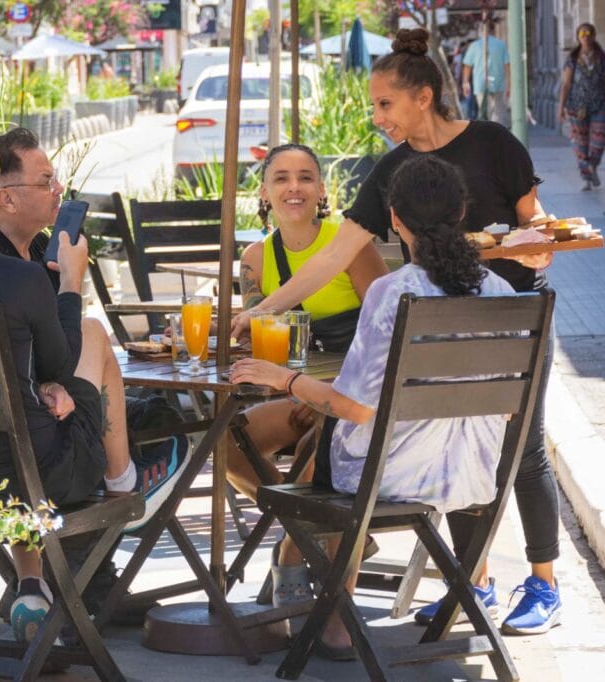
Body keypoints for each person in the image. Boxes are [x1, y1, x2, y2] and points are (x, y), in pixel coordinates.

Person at [233, 28, 562, 637]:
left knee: (525, 452)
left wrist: (540, 245)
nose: (377, 116)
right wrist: (259, 310)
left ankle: (542, 581)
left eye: (384, 103)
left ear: (424, 97)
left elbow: (533, 220)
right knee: (461, 430)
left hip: (508, 316)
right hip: (479, 318)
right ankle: (474, 583)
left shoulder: (493, 144)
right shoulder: (393, 170)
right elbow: (332, 258)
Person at [0, 122, 188, 643]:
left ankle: (32, 583)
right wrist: (70, 280)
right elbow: (63, 363)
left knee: (45, 402)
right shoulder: (17, 278)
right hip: (38, 476)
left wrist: (38, 386)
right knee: (91, 338)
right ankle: (125, 488)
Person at [231, 154, 518, 660]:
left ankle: (328, 608)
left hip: (387, 480)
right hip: (471, 474)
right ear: (461, 214)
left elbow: (357, 409)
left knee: (331, 445)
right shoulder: (501, 292)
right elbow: (511, 410)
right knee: (329, 441)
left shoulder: (393, 293)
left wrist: (286, 379)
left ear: (395, 220)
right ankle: (311, 576)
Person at [227, 143, 386, 504]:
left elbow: (386, 332)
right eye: (281, 178)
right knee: (228, 444)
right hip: (296, 391)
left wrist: (318, 395)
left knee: (312, 448)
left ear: (322, 190)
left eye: (306, 178)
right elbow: (258, 341)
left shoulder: (349, 245)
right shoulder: (255, 258)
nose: (294, 187)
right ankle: (301, 529)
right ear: (264, 192)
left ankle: (302, 547)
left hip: (356, 396)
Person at [0, 127, 62, 291]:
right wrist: (72, 279)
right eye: (46, 182)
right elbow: (52, 317)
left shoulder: (41, 245)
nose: (59, 188)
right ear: (8, 199)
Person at [557, 23, 605, 190]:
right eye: (582, 33)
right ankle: (587, 177)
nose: (585, 35)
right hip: (577, 107)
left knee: (599, 140)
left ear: (593, 35)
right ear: (578, 36)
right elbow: (566, 84)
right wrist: (561, 107)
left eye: (588, 32)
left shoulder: (601, 57)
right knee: (580, 143)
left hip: (600, 104)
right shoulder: (572, 58)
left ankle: (592, 166)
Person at [462, 25, 510, 125]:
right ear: (493, 31)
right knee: (498, 113)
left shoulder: (474, 45)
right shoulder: (501, 45)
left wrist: (465, 83)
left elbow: (467, 65)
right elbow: (507, 65)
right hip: (499, 83)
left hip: (480, 84)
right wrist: (508, 85)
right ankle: (498, 136)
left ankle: (488, 135)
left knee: (484, 112)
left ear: (481, 31)